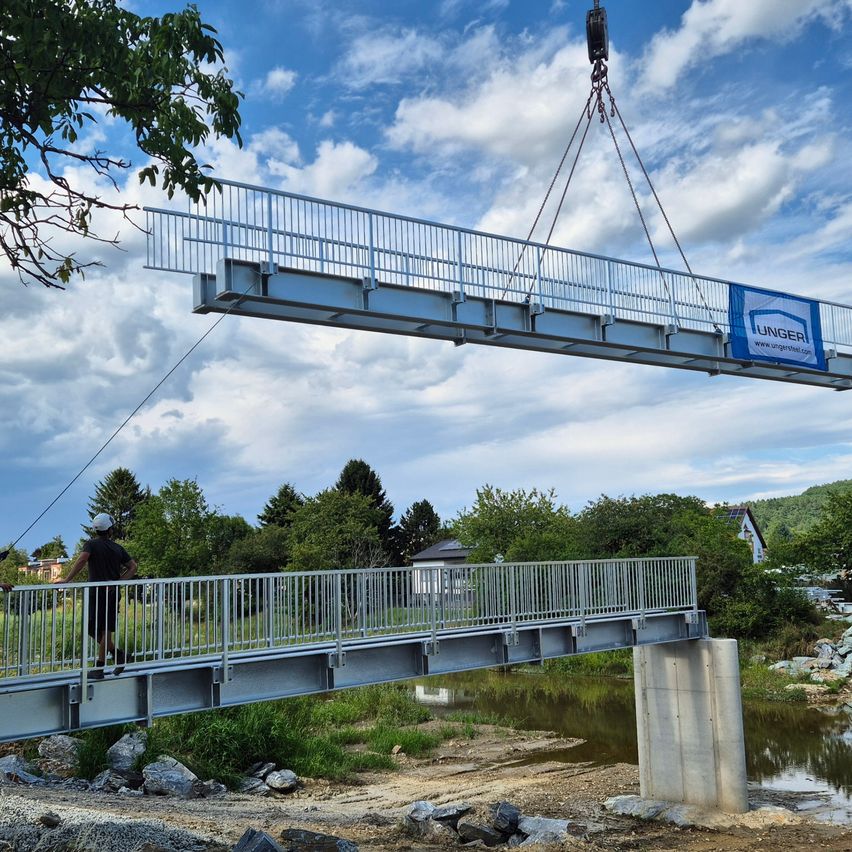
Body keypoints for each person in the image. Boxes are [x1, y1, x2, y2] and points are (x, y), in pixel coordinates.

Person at [54, 513, 138, 678]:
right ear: (110, 530)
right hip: (111, 593)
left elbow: (81, 560)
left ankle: (99, 668)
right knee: (97, 629)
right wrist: (118, 582)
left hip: (96, 594)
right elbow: (133, 567)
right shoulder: (117, 548)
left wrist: (67, 580)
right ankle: (118, 654)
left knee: (99, 629)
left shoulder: (91, 545)